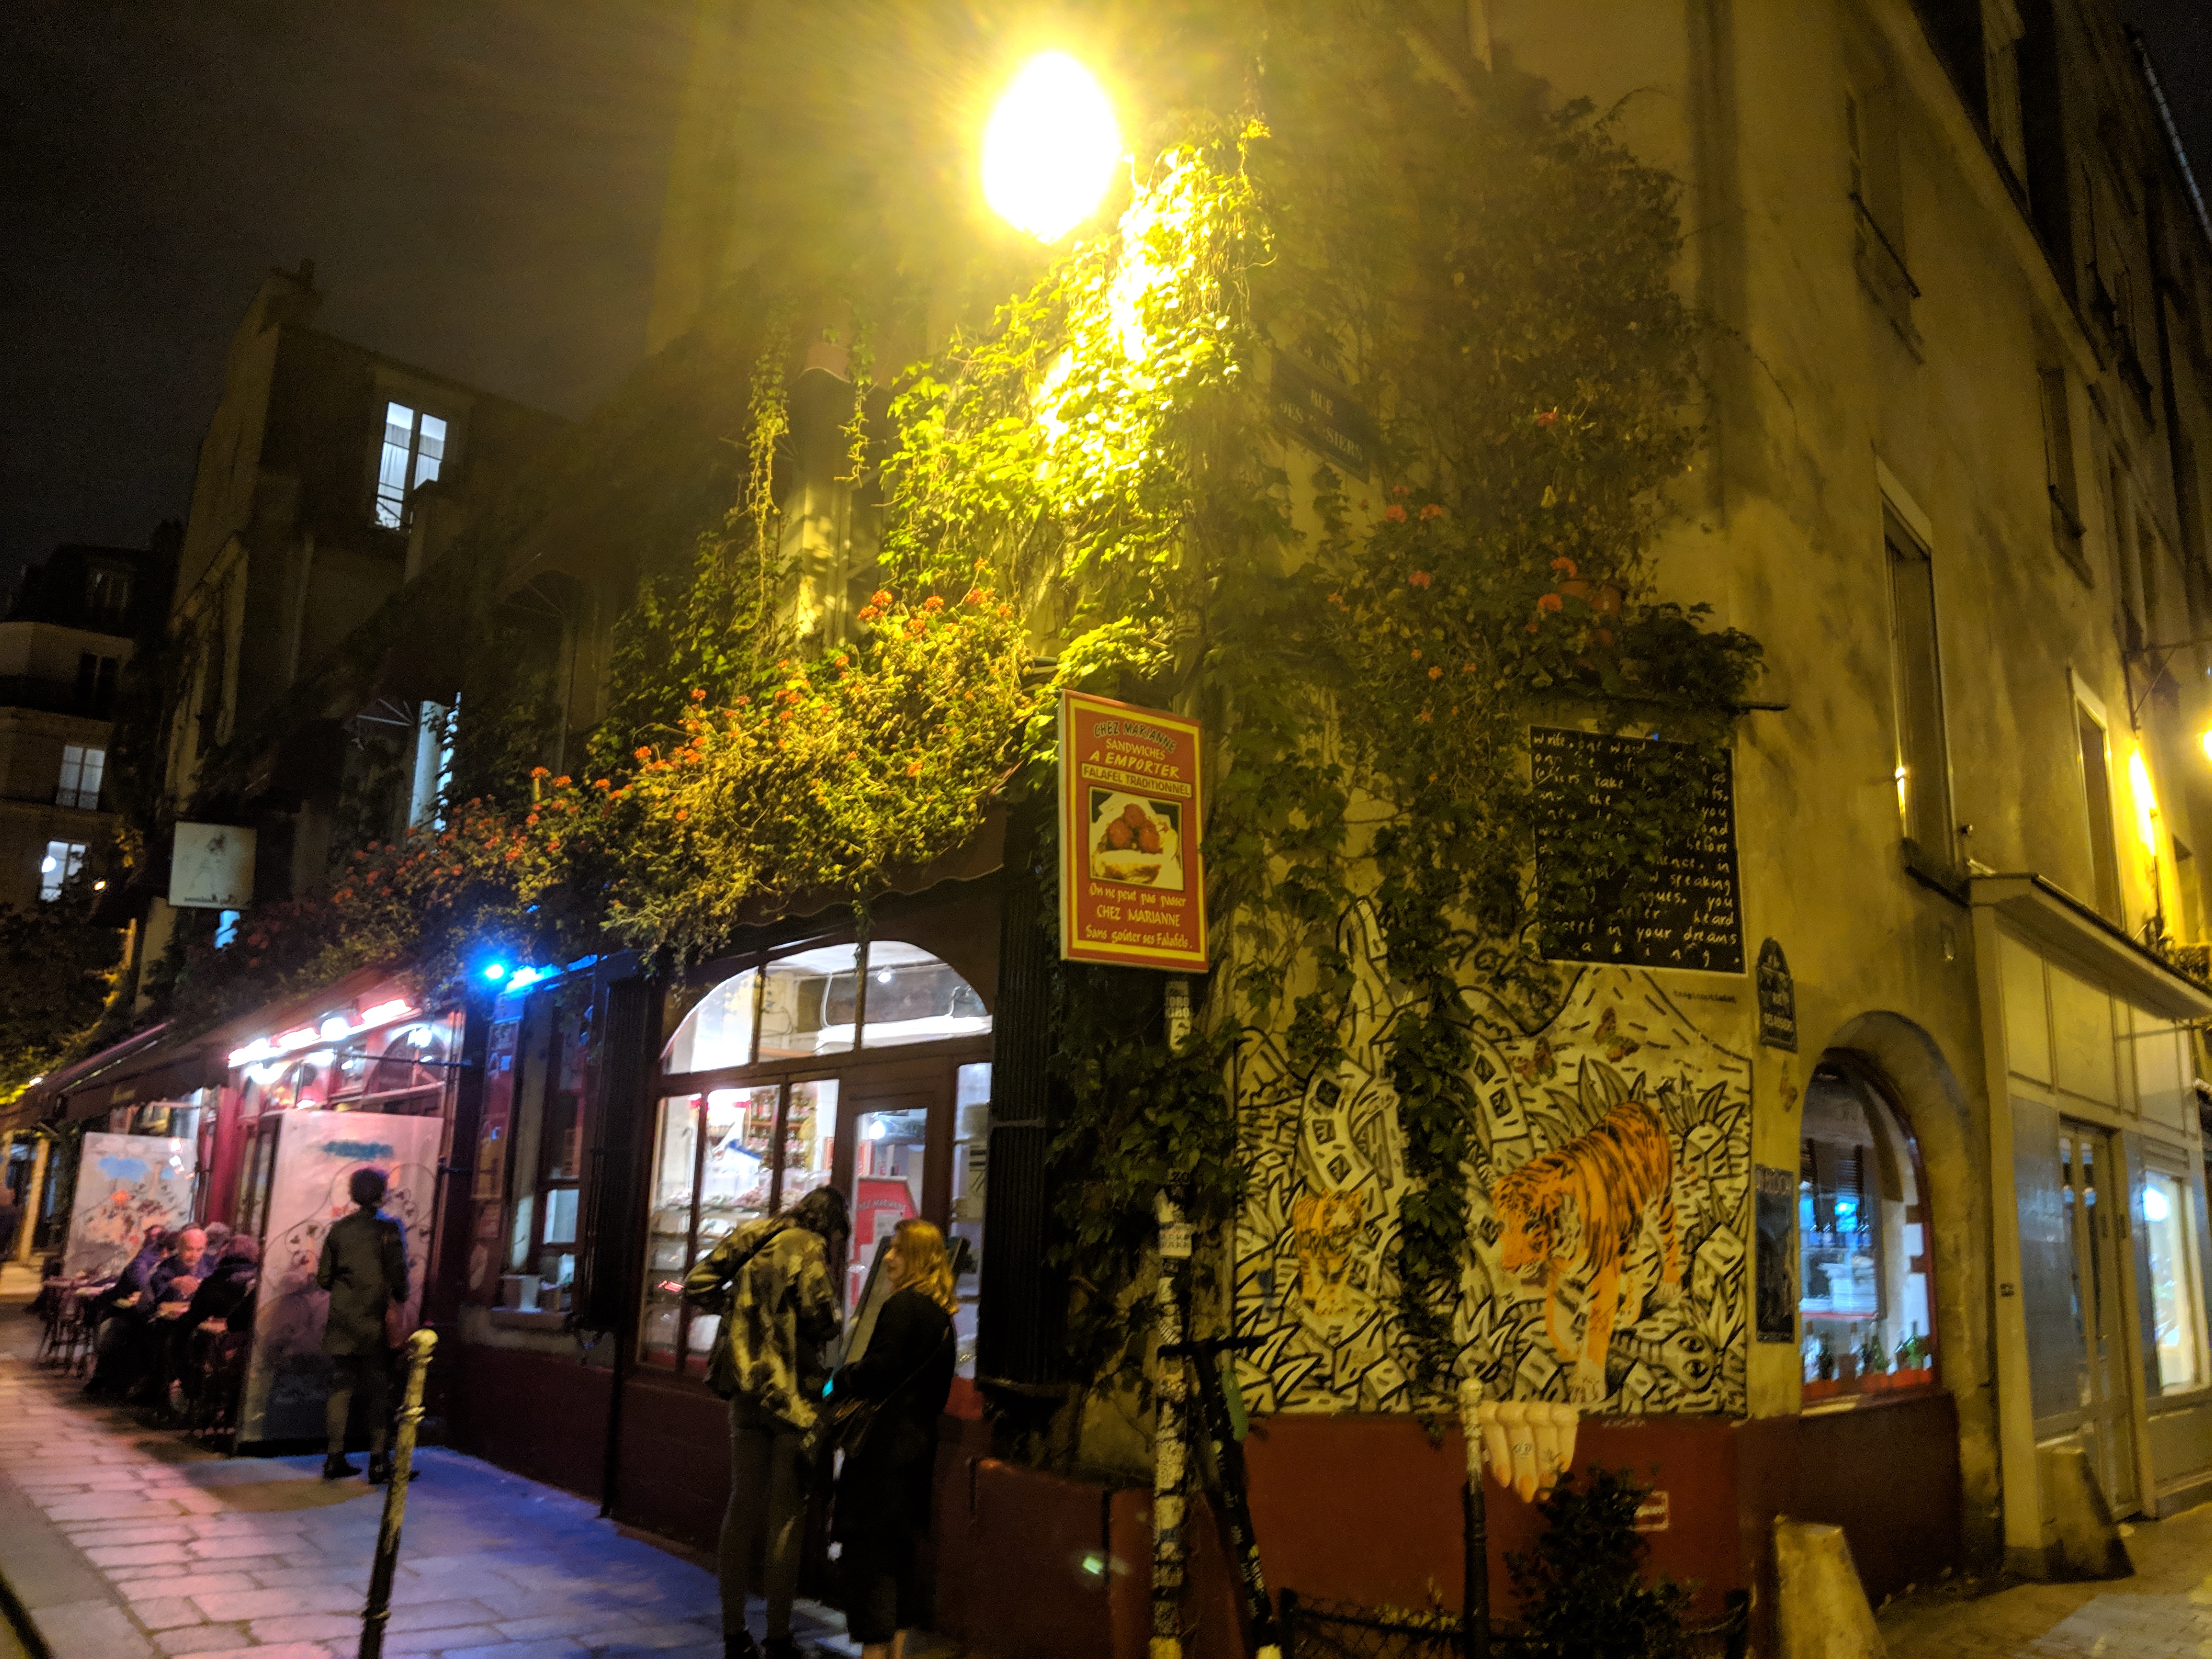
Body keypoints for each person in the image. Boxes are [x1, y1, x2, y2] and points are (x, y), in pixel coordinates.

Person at [685, 1186, 848, 1659]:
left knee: (741, 1508)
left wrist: (742, 1312)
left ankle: (734, 1634)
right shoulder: (808, 1247)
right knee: (785, 1519)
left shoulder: (754, 1232)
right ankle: (778, 1636)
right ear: (829, 1225)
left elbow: (696, 1284)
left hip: (745, 1390)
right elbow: (824, 1319)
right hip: (790, 1397)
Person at [830, 1220, 958, 1659]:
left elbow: (879, 1369)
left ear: (917, 1259)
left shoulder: (902, 1306)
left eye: (898, 1250)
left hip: (881, 1457)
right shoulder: (942, 1318)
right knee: (900, 1562)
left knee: (871, 1565)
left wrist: (840, 1378)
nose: (888, 1257)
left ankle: (874, 1655)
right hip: (916, 1454)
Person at [315, 1167, 409, 1483]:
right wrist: (399, 1297)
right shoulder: (389, 1228)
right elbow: (399, 1276)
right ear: (382, 1193)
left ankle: (334, 1458)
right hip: (375, 1320)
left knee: (341, 1388)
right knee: (379, 1390)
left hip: (342, 1319)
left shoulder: (339, 1230)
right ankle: (379, 1461)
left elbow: (324, 1278)